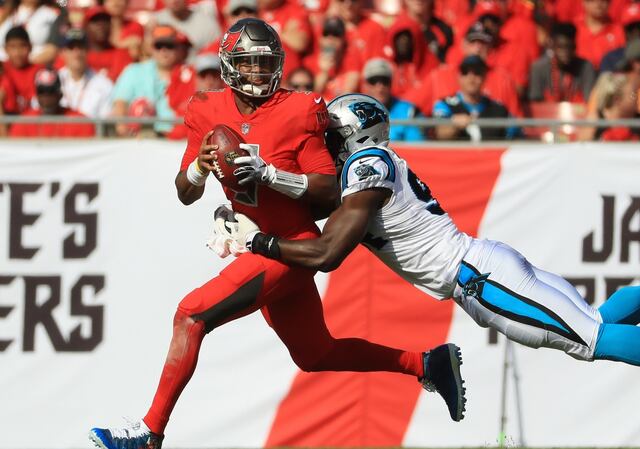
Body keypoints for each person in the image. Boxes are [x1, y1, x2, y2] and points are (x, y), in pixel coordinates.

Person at [219, 93, 640, 440]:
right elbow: (318, 198)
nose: (326, 145)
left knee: (590, 339)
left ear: (352, 136)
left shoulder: (366, 163)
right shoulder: (373, 162)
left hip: (476, 278)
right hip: (485, 262)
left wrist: (261, 243)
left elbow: (326, 253)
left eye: (331, 136)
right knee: (596, 321)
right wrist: (265, 179)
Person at [88, 19, 464, 449]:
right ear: (230, 66)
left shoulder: (298, 109)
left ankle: (149, 434)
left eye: (266, 63)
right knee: (316, 354)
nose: (258, 73)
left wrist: (269, 175)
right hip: (260, 241)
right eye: (249, 64)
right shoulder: (206, 109)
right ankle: (427, 363)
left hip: (291, 244)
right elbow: (184, 192)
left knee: (190, 316)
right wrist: (200, 166)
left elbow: (328, 187)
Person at [433, 55, 517, 141]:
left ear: (484, 76)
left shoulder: (499, 109)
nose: (471, 77)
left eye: (477, 72)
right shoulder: (445, 104)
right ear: (459, 77)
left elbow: (515, 138)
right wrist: (454, 125)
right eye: (465, 72)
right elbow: (440, 133)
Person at [9, 67, 96, 137]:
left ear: (60, 95)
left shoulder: (79, 122)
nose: (46, 97)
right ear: (37, 96)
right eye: (42, 91)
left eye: (51, 91)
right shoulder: (23, 123)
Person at [527, 22, 595, 104]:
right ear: (552, 46)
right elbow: (535, 104)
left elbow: (589, 103)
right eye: (560, 47)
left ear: (575, 46)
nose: (565, 52)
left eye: (569, 47)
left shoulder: (586, 67)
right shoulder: (539, 68)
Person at [360, 57, 424, 142]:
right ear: (365, 85)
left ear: (391, 83)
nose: (380, 87)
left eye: (385, 81)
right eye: (373, 81)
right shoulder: (354, 113)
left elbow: (416, 148)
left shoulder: (409, 112)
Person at [57, 28, 114, 119]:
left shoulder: (104, 84)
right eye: (71, 47)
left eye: (81, 47)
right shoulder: (53, 81)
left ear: (87, 51)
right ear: (62, 53)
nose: (77, 53)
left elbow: (105, 124)